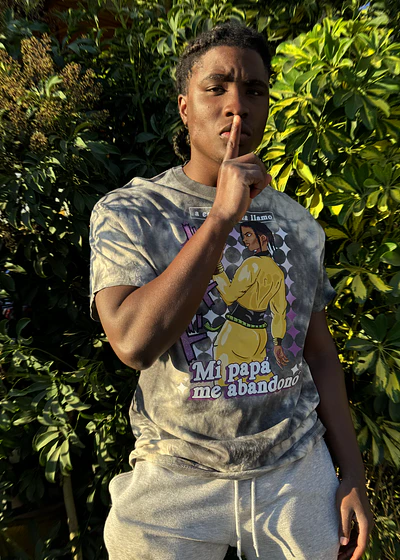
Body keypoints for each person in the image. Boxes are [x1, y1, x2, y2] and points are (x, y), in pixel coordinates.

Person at [89, 23, 373, 560]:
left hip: (294, 471)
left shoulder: (298, 224)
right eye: (215, 88)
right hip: (174, 475)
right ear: (184, 107)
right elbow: (132, 342)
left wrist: (352, 476)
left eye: (254, 90)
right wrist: (221, 217)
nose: (236, 106)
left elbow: (318, 354)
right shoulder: (132, 212)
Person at [213, 222, 288, 381]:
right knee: (258, 382)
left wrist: (217, 266)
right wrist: (277, 343)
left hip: (237, 331)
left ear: (263, 238)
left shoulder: (252, 264)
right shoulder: (277, 272)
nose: (244, 240)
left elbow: (229, 296)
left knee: (225, 381)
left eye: (248, 235)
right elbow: (279, 313)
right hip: (260, 336)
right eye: (243, 236)